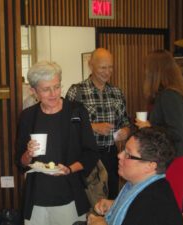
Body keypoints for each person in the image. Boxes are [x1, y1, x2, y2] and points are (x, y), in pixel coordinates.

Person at [16, 61, 99, 225]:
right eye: (46, 89)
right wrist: (28, 153)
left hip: (69, 194)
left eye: (57, 86)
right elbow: (20, 162)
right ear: (34, 91)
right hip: (37, 198)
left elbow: (91, 153)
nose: (53, 93)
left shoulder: (76, 111)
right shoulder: (28, 116)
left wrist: (69, 169)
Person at [66, 48, 130, 199]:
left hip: (111, 155)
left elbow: (125, 121)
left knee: (112, 197)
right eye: (103, 67)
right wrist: (94, 127)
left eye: (110, 67)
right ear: (91, 65)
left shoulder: (117, 92)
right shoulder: (77, 91)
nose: (107, 71)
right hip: (85, 156)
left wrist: (126, 131)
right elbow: (67, 125)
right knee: (88, 200)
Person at [87, 127, 183, 225]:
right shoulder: (149, 186)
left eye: (128, 154)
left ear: (150, 166)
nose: (119, 155)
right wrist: (115, 205)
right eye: (123, 150)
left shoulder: (152, 203)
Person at [135, 50, 183, 157]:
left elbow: (178, 132)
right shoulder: (169, 93)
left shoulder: (169, 96)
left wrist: (151, 128)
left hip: (174, 158)